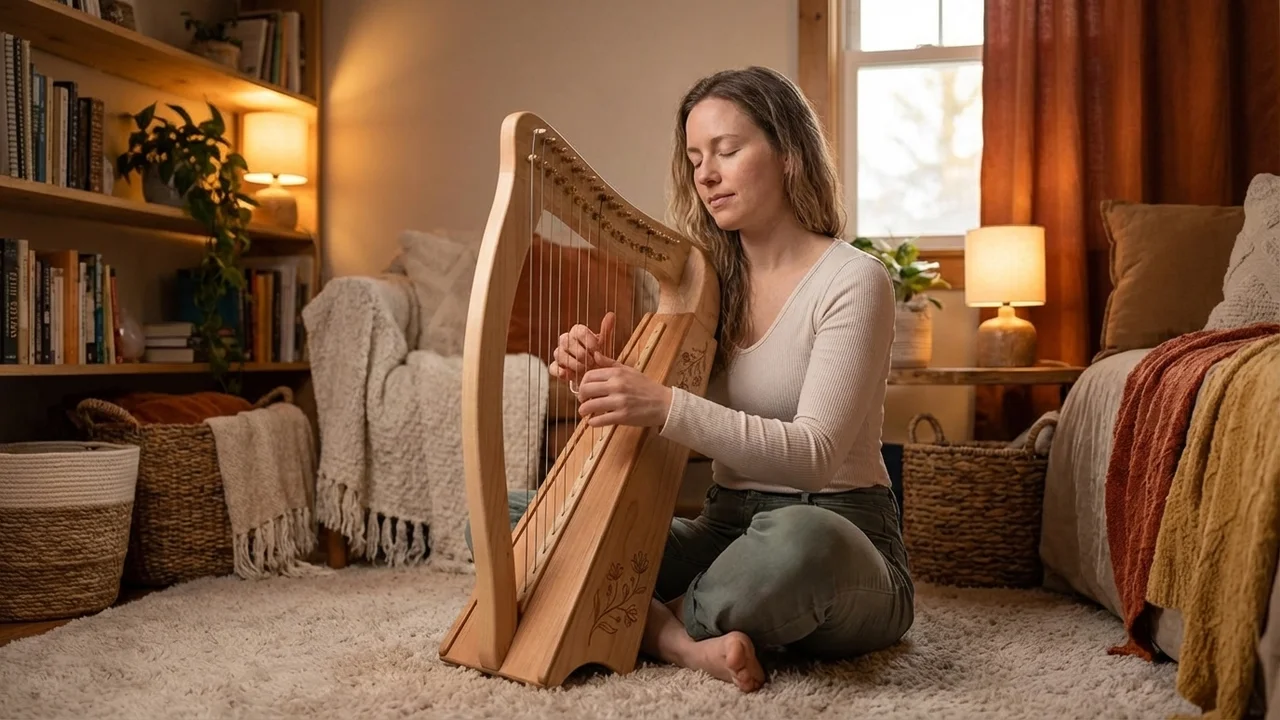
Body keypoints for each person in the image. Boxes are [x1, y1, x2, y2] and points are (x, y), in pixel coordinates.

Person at [483, 65, 914, 693]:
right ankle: (686, 638)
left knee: (801, 542)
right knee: (510, 520)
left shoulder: (854, 280)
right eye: (694, 159)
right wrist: (601, 381)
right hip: (723, 527)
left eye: (727, 151)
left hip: (835, 529)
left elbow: (814, 458)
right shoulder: (705, 286)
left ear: (789, 154)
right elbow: (663, 428)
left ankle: (643, 624)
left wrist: (660, 404)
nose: (706, 174)